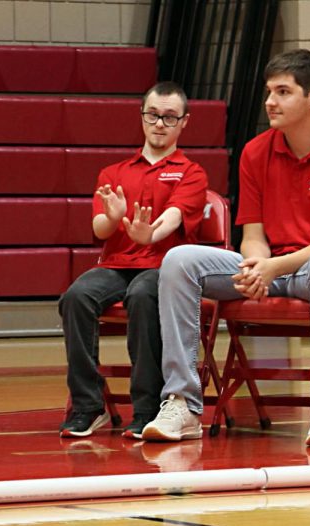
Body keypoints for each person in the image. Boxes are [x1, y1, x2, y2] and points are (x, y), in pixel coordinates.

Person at [143, 49, 310, 446]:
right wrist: (256, 266)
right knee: (179, 259)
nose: (270, 101)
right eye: (269, 91)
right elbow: (253, 232)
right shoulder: (255, 151)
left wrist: (273, 269)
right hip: (272, 267)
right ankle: (182, 402)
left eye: (283, 91)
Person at [58, 81, 208, 438]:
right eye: (153, 115)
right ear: (142, 117)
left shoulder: (191, 172)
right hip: (116, 266)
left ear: (184, 122)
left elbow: (174, 215)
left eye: (170, 117)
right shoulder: (113, 173)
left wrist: (151, 234)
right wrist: (114, 217)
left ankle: (146, 409)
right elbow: (100, 227)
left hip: (163, 269)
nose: (160, 123)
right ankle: (88, 406)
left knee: (143, 296)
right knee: (75, 298)